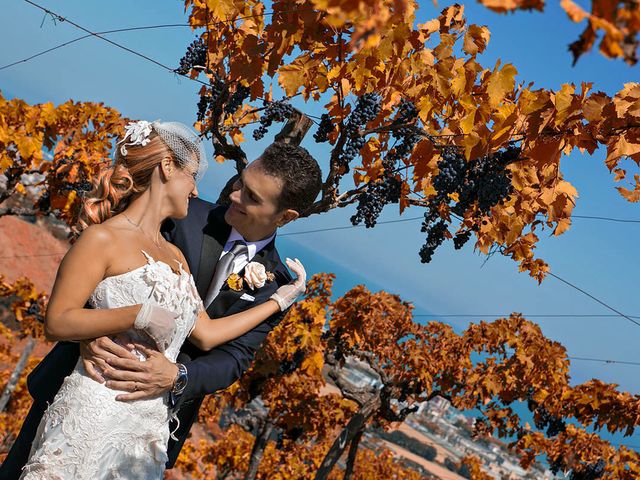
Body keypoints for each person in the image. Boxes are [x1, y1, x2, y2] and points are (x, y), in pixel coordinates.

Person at [0, 120, 321, 479]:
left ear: (285, 216)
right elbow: (109, 264)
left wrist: (177, 375)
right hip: (83, 393)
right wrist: (90, 332)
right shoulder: (182, 215)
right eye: (240, 184)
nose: (232, 196)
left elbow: (230, 356)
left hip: (148, 430)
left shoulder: (272, 282)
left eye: (252, 197)